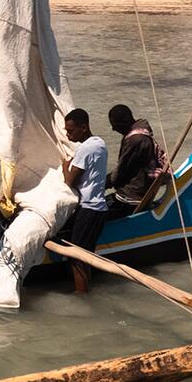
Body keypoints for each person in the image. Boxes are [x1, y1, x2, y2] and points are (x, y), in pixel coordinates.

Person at [59, 109, 109, 294]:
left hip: (89, 208)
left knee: (77, 256)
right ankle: (86, 289)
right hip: (99, 208)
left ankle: (82, 295)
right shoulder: (100, 144)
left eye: (71, 130)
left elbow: (70, 181)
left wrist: (65, 167)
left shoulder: (84, 148)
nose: (68, 134)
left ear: (84, 127)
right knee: (86, 254)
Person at [105, 105, 167, 217]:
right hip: (134, 191)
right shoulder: (136, 133)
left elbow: (121, 171)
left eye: (115, 125)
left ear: (125, 121)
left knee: (94, 214)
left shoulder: (136, 140)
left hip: (130, 198)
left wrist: (103, 183)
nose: (113, 129)